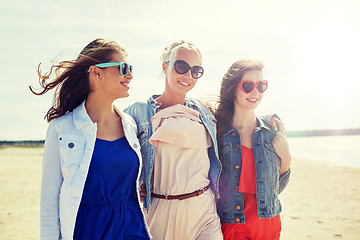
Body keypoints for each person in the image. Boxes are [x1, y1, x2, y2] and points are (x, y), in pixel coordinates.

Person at [30, 38, 150, 240]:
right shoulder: (61, 128)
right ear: (96, 72)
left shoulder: (130, 124)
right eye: (122, 67)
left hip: (131, 228)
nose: (129, 75)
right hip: (87, 230)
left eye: (130, 68)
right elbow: (49, 201)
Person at [124, 40, 223, 240]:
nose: (188, 75)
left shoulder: (205, 112)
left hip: (204, 210)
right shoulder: (137, 112)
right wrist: (132, 187)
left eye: (196, 70)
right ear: (165, 66)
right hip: (159, 212)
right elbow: (116, 155)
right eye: (181, 66)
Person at [214, 59, 291, 240]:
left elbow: (275, 188)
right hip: (233, 223)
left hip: (268, 223)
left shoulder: (271, 132)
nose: (255, 92)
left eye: (261, 85)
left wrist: (286, 159)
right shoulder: (218, 132)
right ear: (233, 87)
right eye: (248, 85)